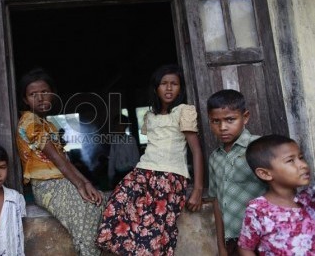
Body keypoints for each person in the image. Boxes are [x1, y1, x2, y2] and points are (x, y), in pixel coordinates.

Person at [96, 64, 204, 255]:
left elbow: (196, 151)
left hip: (170, 177)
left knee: (154, 230)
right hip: (142, 172)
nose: (169, 88)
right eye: (164, 83)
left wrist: (197, 189)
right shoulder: (150, 116)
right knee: (116, 206)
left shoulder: (183, 111)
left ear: (181, 88)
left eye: (174, 84)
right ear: (156, 88)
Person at [16, 67, 104, 256]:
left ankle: (89, 250)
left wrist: (86, 183)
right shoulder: (29, 121)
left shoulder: (48, 124)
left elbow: (64, 159)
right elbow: (56, 158)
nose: (40, 98)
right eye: (33, 94)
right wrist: (81, 185)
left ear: (53, 94)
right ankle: (88, 251)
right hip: (47, 186)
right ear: (25, 99)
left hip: (62, 180)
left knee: (99, 202)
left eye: (45, 92)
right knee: (87, 209)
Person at [207, 89, 267, 256]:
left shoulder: (260, 147)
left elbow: (280, 189)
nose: (223, 127)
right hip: (233, 240)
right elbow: (217, 203)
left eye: (230, 120)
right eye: (215, 121)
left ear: (245, 117)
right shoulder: (214, 158)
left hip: (263, 237)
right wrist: (221, 245)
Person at [238, 135, 315, 255]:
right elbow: (245, 247)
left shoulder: (310, 198)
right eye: (290, 160)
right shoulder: (259, 210)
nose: (303, 165)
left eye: (301, 158)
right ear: (265, 173)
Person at [107, 114, 140, 188]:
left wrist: (136, 174)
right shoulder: (114, 140)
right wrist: (110, 176)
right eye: (117, 125)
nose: (119, 127)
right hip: (118, 174)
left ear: (126, 126)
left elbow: (136, 158)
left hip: (129, 172)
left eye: (121, 125)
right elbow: (112, 159)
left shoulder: (131, 139)